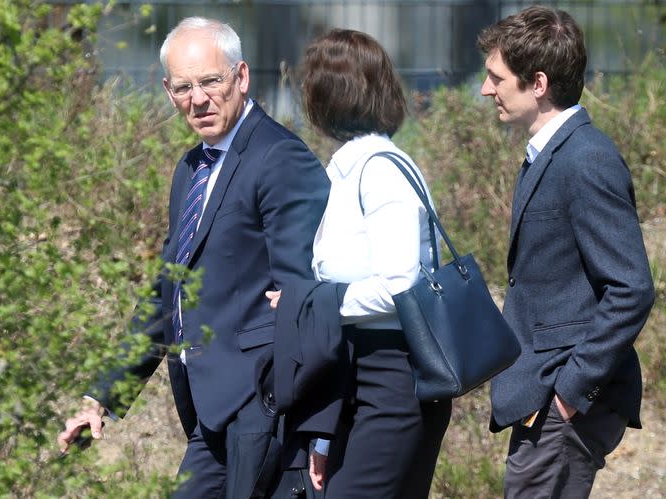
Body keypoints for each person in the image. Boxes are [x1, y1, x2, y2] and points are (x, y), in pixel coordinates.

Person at [57, 17, 330, 498]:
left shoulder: (280, 159)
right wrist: (101, 398)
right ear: (167, 91)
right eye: (183, 87)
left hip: (266, 407)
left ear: (240, 78)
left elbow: (310, 299)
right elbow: (166, 295)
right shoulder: (190, 170)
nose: (198, 99)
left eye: (210, 81)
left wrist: (319, 428)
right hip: (210, 409)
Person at [478, 6, 656, 498]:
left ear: (537, 83)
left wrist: (572, 392)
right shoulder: (550, 154)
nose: (486, 89)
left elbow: (632, 288)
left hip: (561, 404)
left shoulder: (586, 158)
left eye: (497, 78)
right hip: (543, 396)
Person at [269, 29, 452, 498]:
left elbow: (399, 283)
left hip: (393, 380)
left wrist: (311, 303)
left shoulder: (381, 171)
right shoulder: (346, 172)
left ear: (323, 97)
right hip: (357, 375)